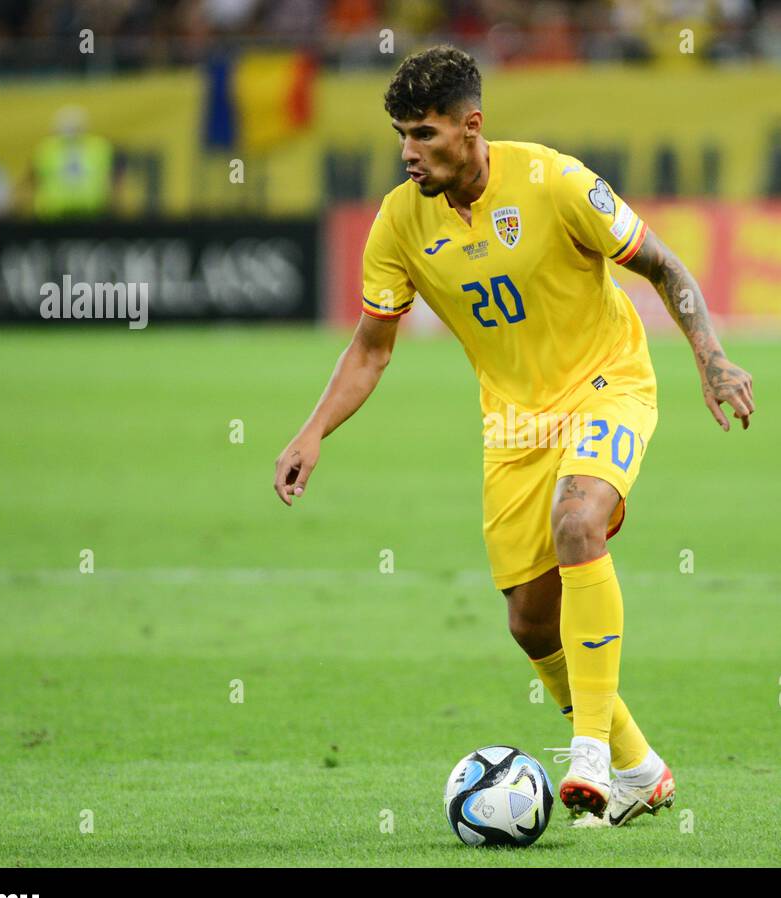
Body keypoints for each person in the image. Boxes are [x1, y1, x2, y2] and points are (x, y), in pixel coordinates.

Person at [273, 46, 754, 826]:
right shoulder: (399, 222)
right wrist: (312, 431)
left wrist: (713, 359)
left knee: (578, 521)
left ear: (472, 126)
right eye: (401, 134)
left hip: (609, 382)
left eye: (424, 134)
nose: (408, 152)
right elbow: (371, 347)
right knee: (531, 622)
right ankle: (640, 768)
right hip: (514, 422)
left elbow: (665, 267)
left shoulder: (555, 182)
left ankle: (590, 751)